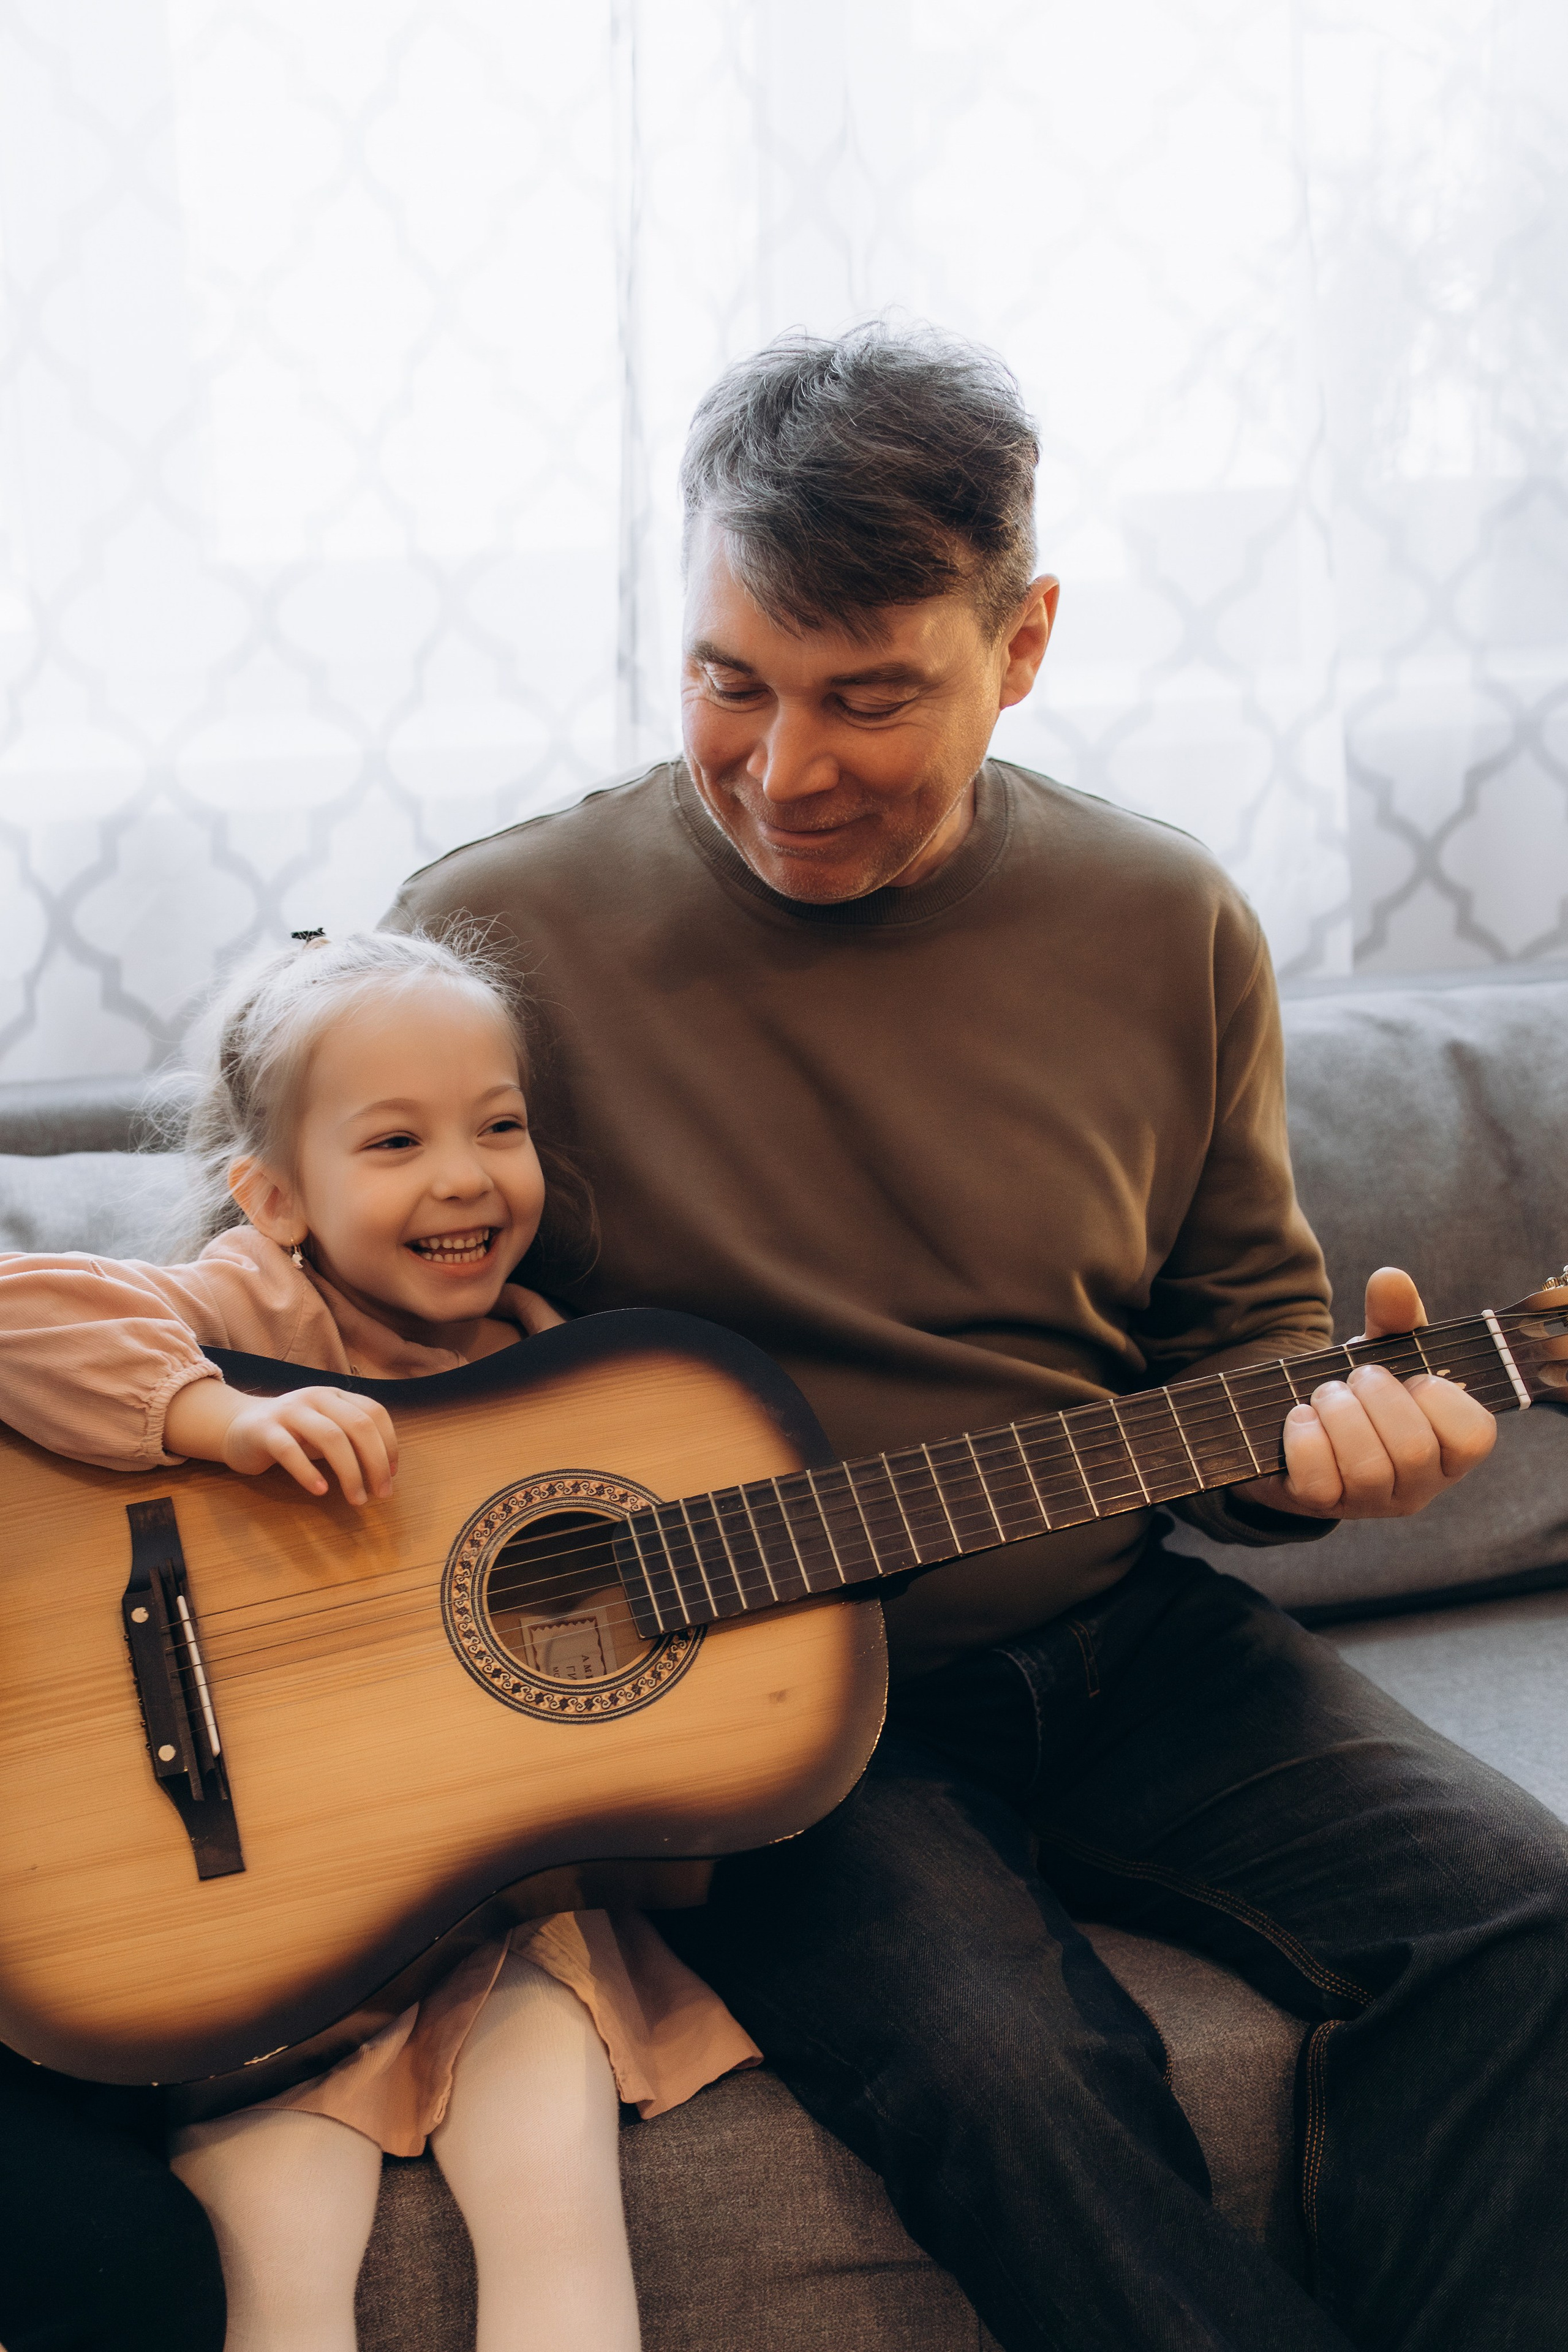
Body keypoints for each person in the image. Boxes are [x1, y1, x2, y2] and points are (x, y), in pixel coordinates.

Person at [385, 323, 1568, 2350]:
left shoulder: (1165, 920)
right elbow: (354, 1318)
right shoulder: (499, 940)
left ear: (1020, 642)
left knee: (1530, 1921)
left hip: (1127, 1642)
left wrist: (1332, 1462)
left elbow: (1244, 1348)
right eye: (727, 682)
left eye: (871, 697)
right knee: (1010, 2071)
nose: (783, 767)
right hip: (770, 1725)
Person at [0, 928, 758, 2352]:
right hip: (271, 1926)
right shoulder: (253, 1310)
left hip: (496, 1933)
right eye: (396, 1140)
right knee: (283, 2270)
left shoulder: (568, 1383)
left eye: (500, 1125)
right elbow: (17, 1316)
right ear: (274, 1197)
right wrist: (223, 1415)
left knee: (559, 2204)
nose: (465, 1174)